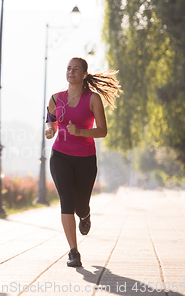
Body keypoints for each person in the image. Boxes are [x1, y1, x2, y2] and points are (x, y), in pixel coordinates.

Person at [45, 57, 121, 267]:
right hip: (60, 156)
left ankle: (85, 215)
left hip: (86, 158)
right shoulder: (55, 98)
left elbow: (103, 131)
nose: (71, 72)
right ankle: (73, 252)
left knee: (80, 205)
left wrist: (79, 132)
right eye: (68, 68)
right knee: (66, 201)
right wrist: (50, 130)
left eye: (76, 69)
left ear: (84, 74)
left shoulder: (93, 99)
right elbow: (50, 121)